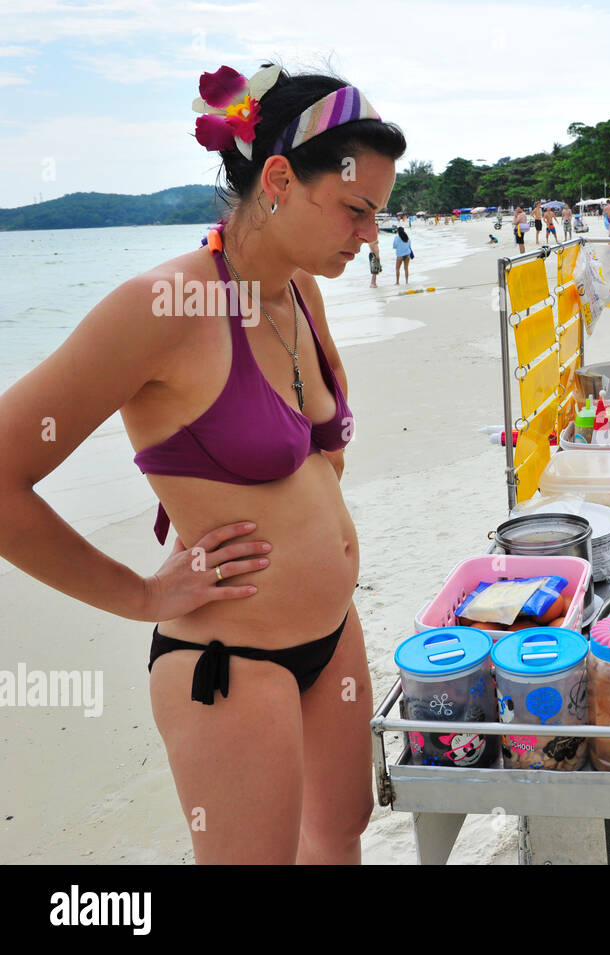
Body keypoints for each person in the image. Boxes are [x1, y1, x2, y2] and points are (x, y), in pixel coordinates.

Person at [0, 63, 405, 863]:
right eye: (357, 211)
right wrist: (143, 592)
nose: (370, 237)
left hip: (333, 634)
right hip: (231, 661)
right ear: (281, 179)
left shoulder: (299, 292)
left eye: (379, 215)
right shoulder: (161, 308)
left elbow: (314, 467)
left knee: (342, 833)